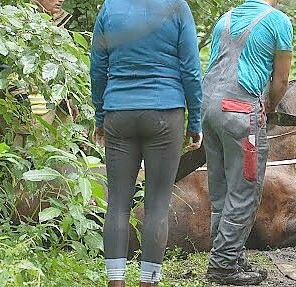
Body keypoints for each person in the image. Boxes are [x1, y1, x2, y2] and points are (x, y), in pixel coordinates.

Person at [89, 0, 203, 286]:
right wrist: (195, 121)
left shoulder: (109, 8)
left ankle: (115, 282)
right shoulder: (177, 7)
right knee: (157, 206)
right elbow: (190, 69)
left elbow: (98, 67)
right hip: (165, 114)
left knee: (117, 204)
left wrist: (100, 115)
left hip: (119, 113)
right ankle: (148, 282)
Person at [202, 0, 293, 285]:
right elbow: (281, 79)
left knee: (221, 189)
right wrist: (270, 105)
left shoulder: (226, 18)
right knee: (245, 190)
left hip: (208, 107)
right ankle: (224, 264)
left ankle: (231, 255)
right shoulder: (279, 21)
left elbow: (215, 65)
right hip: (240, 112)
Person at [10, 0, 75, 147]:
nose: (61, 0)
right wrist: (21, 98)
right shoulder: (21, 21)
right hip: (33, 106)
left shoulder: (60, 25)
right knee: (27, 155)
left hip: (59, 106)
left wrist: (69, 98)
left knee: (59, 157)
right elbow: (8, 65)